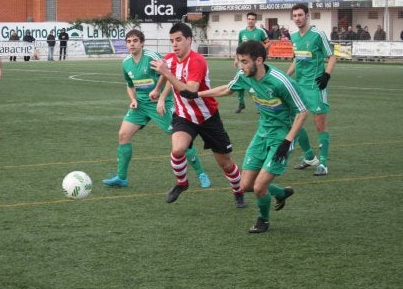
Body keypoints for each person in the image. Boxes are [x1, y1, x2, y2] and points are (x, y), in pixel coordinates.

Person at [180, 40, 309, 233]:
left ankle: (263, 220)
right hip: (262, 133)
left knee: (258, 187)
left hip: (281, 137)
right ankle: (280, 193)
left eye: (245, 61)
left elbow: (302, 111)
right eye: (239, 61)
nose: (241, 66)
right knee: (245, 185)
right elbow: (227, 89)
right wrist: (196, 94)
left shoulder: (281, 82)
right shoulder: (244, 74)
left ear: (259, 60)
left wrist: (287, 141)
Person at [150, 22, 245, 207]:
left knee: (225, 164)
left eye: (178, 40)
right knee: (177, 150)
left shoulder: (197, 61)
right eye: (172, 41)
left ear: (189, 40)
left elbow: (189, 91)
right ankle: (182, 184)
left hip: (208, 117)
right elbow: (166, 71)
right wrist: (158, 90)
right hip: (184, 116)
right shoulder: (170, 59)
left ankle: (238, 190)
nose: (175, 44)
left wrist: (166, 74)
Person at [102, 29, 211, 189]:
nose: (131, 44)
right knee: (123, 135)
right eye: (129, 41)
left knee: (180, 141)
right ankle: (122, 178)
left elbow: (168, 75)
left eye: (135, 41)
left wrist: (160, 97)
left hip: (162, 105)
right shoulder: (126, 63)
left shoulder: (151, 57)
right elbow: (130, 85)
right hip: (140, 106)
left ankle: (201, 173)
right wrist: (133, 100)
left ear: (142, 43)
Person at [286, 3, 336, 176]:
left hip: (316, 86)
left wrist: (326, 75)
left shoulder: (318, 34)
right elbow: (297, 60)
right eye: (295, 16)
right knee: (295, 122)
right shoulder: (294, 36)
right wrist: (287, 76)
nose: (298, 18)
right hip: (299, 86)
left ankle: (323, 164)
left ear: (307, 15)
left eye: (300, 15)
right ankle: (309, 157)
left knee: (320, 123)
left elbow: (331, 57)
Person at [233, 12, 271, 113]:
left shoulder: (260, 32)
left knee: (257, 83)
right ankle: (241, 103)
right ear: (247, 20)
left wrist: (260, 50)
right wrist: (236, 59)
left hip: (254, 63)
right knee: (239, 81)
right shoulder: (242, 32)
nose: (251, 21)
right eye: (249, 19)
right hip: (243, 62)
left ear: (255, 21)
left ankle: (260, 105)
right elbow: (239, 47)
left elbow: (268, 43)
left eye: (253, 19)